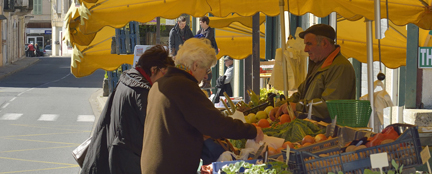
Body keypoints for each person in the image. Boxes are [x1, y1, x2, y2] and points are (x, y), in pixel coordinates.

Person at [141, 38, 262, 174]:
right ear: (195, 65)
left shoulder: (161, 83)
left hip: (155, 166)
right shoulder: (183, 86)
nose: (205, 76)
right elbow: (216, 124)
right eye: (206, 69)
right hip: (170, 168)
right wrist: (252, 131)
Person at [81, 45, 175, 174]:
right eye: (164, 74)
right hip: (125, 161)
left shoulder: (127, 79)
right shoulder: (141, 92)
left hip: (113, 155)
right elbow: (155, 133)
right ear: (153, 69)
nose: (165, 80)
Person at [275, 24, 356, 121]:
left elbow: (330, 105)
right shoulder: (319, 64)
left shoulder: (340, 67)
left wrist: (299, 107)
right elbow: (301, 94)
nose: (305, 49)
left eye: (309, 44)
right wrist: (284, 106)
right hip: (314, 129)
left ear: (324, 43)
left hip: (330, 132)